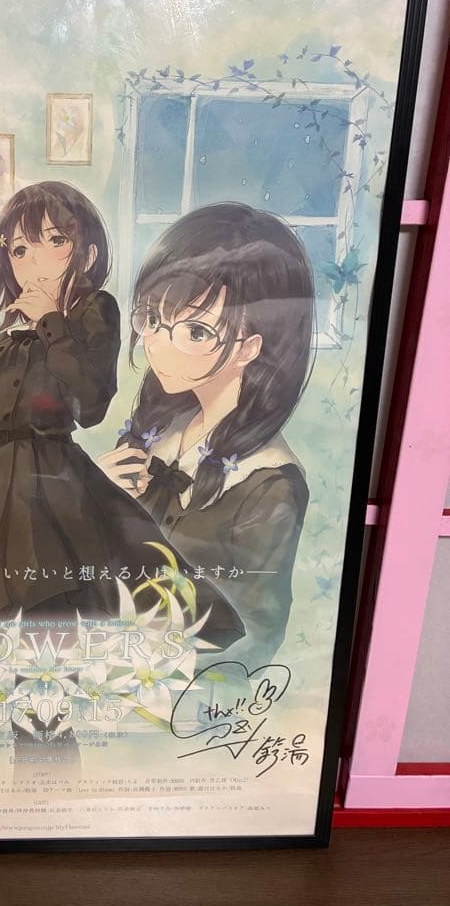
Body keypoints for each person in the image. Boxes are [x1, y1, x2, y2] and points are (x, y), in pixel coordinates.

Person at [0, 182, 244, 649]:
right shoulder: (1, 345)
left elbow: (91, 404)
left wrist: (51, 321)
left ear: (87, 255)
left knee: (56, 628)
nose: (33, 261)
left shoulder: (94, 312)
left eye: (55, 241)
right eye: (19, 249)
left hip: (43, 498)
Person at [98, 202, 314, 667]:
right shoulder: (157, 431)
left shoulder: (269, 485)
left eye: (195, 332)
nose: (157, 345)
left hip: (177, 689)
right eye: (151, 319)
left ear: (250, 346)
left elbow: (255, 637)